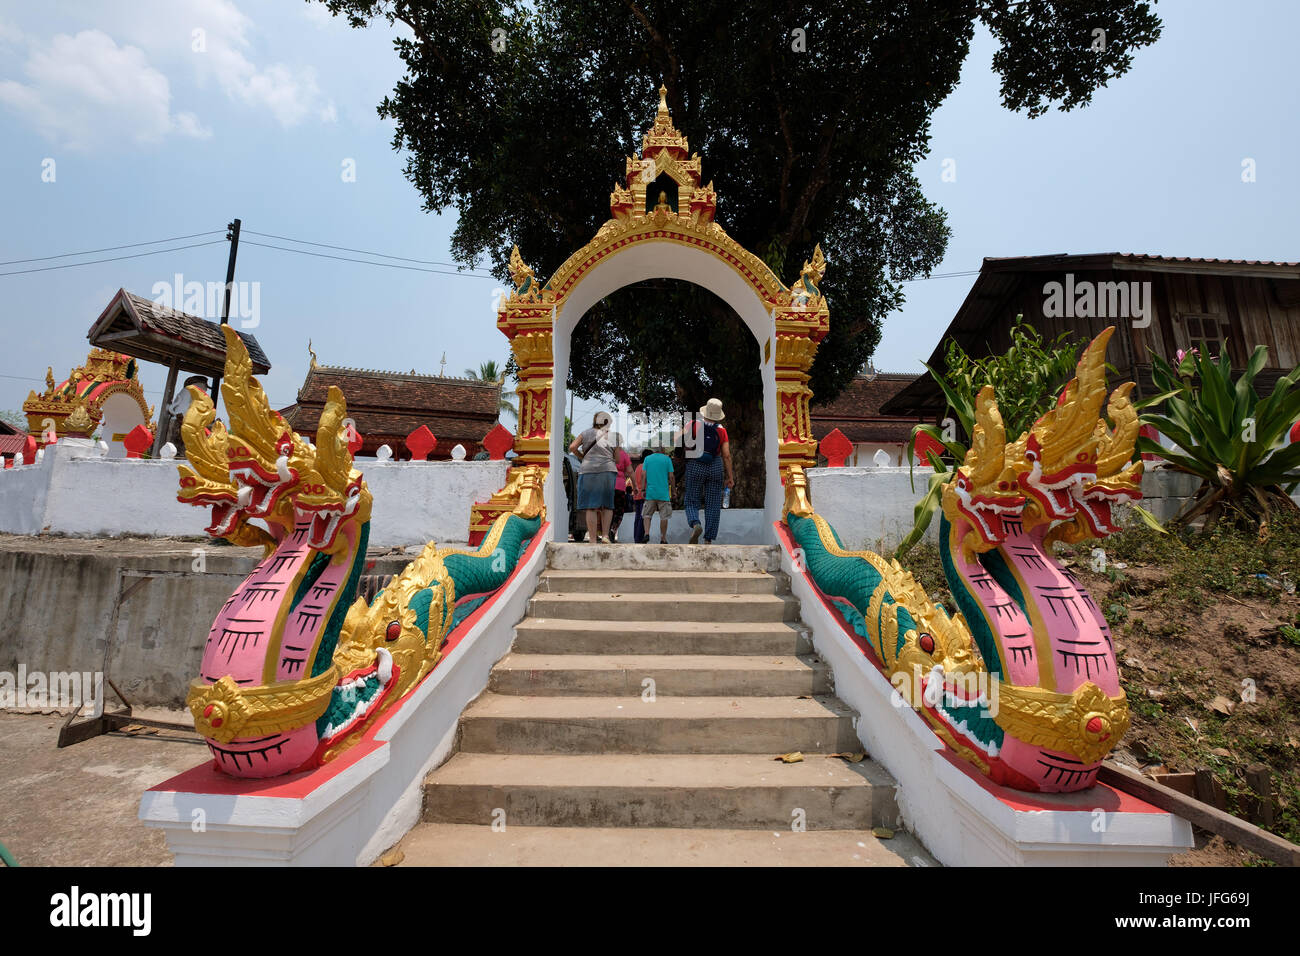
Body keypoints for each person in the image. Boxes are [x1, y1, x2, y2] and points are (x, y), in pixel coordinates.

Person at [680, 398, 734, 544]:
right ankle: (708, 539)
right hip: (715, 465)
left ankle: (696, 524)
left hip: (695, 464)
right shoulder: (722, 430)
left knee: (691, 500)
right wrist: (730, 477)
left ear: (705, 411)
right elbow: (726, 455)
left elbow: (680, 441)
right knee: (713, 503)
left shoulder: (691, 424)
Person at [568, 411, 617, 543]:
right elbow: (616, 457)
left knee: (591, 506)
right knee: (607, 505)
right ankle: (606, 536)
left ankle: (593, 539)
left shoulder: (585, 433)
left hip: (588, 470)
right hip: (607, 470)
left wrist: (582, 457)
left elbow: (572, 447)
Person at [641, 445, 675, 544]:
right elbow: (671, 476)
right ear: (663, 450)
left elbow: (643, 475)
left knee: (647, 514)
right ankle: (663, 538)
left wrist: (643, 489)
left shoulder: (647, 459)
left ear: (653, 450)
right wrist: (673, 491)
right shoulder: (667, 459)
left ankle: (646, 534)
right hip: (663, 493)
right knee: (664, 516)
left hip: (650, 493)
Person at [608, 433, 634, 543]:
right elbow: (630, 471)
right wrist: (636, 486)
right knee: (619, 511)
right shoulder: (623, 455)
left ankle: (606, 531)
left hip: (607, 486)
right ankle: (613, 529)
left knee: (607, 510)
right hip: (619, 487)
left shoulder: (606, 454)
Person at [630, 449, 649, 543]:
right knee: (643, 517)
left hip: (636, 496)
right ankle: (639, 539)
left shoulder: (637, 467)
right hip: (643, 495)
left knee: (637, 517)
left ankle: (636, 538)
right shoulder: (646, 467)